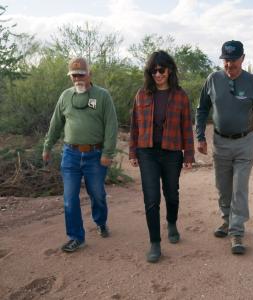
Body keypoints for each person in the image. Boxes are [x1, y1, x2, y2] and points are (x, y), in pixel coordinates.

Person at [196, 40, 253, 255]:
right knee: (223, 187)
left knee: (239, 187)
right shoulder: (213, 79)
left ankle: (237, 231)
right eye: (226, 60)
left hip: (245, 142)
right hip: (220, 142)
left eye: (233, 60)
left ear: (243, 59)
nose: (229, 65)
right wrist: (200, 136)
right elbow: (202, 109)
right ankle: (227, 219)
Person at [42, 57, 118, 253]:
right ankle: (76, 237)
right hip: (70, 155)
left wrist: (108, 152)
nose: (78, 78)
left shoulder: (102, 96)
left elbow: (111, 126)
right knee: (69, 198)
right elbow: (55, 124)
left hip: (95, 155)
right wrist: (47, 146)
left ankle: (101, 222)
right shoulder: (65, 97)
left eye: (81, 74)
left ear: (89, 74)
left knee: (97, 194)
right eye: (74, 75)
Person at [129, 50, 194, 263]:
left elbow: (186, 127)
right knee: (151, 198)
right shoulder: (142, 94)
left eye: (162, 70)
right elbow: (134, 126)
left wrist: (188, 155)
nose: (158, 74)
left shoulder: (180, 96)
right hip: (147, 151)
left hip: (171, 151)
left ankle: (172, 222)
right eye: (154, 70)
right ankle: (155, 243)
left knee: (172, 194)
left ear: (170, 70)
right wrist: (132, 151)